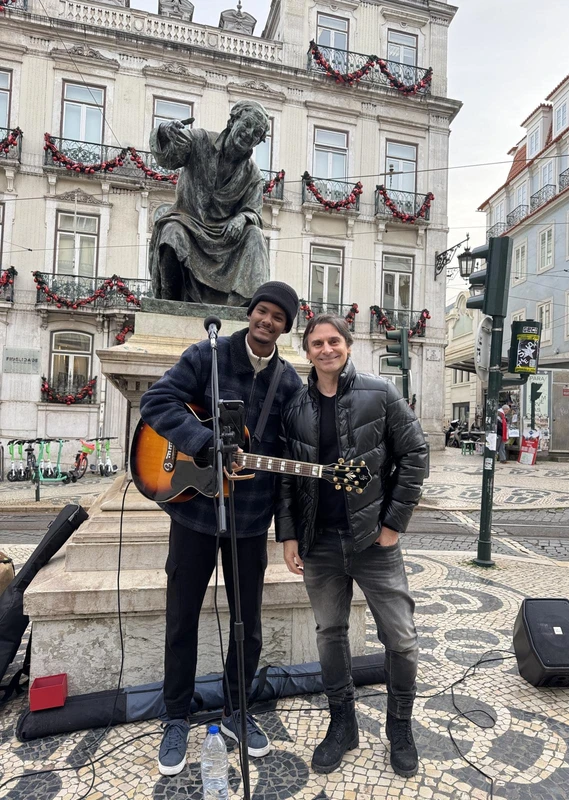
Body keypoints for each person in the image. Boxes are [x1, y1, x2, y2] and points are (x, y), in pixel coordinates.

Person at [139, 281, 303, 776]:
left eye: (277, 317)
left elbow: (292, 455)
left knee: (247, 624)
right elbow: (156, 402)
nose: (266, 321)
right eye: (261, 311)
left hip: (250, 522)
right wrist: (205, 443)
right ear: (249, 314)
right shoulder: (208, 354)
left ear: (285, 328)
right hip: (193, 513)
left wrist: (287, 527)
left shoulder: (289, 382)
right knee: (181, 618)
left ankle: (237, 709)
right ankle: (175, 716)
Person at [275, 313, 427, 777]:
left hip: (373, 542)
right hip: (319, 542)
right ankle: (343, 724)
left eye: (333, 341)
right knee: (329, 633)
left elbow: (415, 453)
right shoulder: (294, 406)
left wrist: (394, 523)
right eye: (317, 343)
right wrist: (288, 534)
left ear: (348, 344)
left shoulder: (379, 394)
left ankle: (399, 727)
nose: (326, 349)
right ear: (306, 350)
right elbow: (285, 476)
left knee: (400, 637)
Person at [148, 100, 270, 305]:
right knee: (171, 231)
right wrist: (165, 131)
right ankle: (168, 306)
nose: (249, 133)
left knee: (254, 235)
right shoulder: (201, 140)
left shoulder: (253, 175)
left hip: (224, 238)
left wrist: (242, 218)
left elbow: (254, 212)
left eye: (256, 132)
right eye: (247, 124)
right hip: (188, 223)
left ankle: (249, 308)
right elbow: (167, 159)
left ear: (258, 141)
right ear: (233, 121)